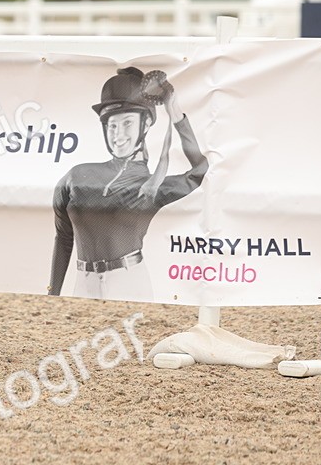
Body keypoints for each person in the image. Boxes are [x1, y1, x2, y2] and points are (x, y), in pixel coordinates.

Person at [48, 67, 208, 300]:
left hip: (129, 282)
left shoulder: (152, 186)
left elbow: (199, 170)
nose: (118, 134)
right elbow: (63, 237)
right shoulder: (76, 176)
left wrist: (175, 113)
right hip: (83, 284)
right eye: (112, 125)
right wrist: (53, 294)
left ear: (145, 126)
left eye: (127, 124)